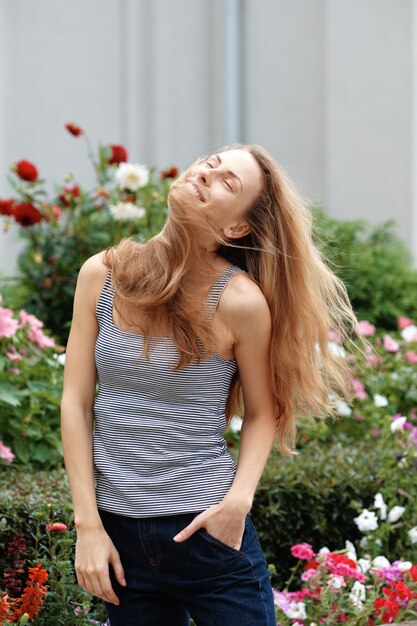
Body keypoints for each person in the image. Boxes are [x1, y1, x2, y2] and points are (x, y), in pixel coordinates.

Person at [61, 144, 356, 626]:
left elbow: (264, 411)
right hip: (119, 540)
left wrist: (236, 505)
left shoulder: (240, 301)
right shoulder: (102, 274)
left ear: (236, 228)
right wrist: (88, 525)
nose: (205, 172)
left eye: (226, 182)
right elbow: (75, 402)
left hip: (207, 535)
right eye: (210, 163)